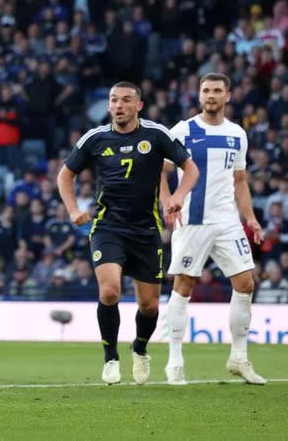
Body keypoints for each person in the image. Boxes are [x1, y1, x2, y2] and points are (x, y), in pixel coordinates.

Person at [57, 81, 199, 385]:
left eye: (125, 100)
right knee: (109, 291)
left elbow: (191, 168)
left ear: (138, 105)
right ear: (108, 105)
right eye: (113, 100)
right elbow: (65, 175)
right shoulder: (95, 138)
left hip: (146, 230)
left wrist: (177, 196)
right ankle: (110, 357)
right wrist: (72, 210)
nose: (118, 105)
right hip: (108, 226)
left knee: (149, 305)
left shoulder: (156, 134)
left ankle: (140, 348)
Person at [162, 73, 266, 385]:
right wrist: (166, 202)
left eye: (217, 90)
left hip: (227, 221)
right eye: (206, 90)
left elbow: (240, 181)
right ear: (199, 95)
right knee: (184, 286)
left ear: (228, 95)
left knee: (246, 283)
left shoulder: (237, 134)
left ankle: (238, 358)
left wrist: (250, 218)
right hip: (192, 221)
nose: (211, 95)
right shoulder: (183, 130)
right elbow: (161, 170)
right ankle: (175, 361)